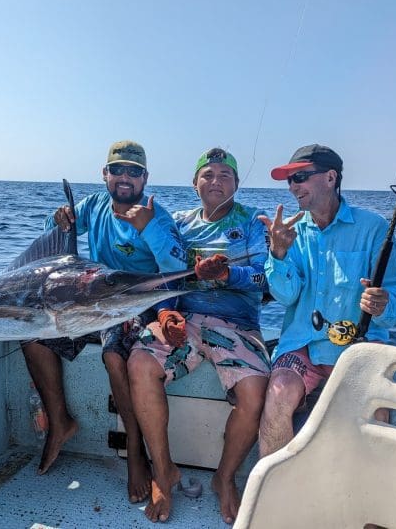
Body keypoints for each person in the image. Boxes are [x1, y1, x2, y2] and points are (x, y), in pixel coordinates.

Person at [22, 140, 187, 505]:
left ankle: (134, 447)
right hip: (90, 300)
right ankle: (60, 421)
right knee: (33, 335)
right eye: (118, 169)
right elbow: (56, 225)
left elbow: (177, 269)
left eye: (133, 171)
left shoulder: (157, 214)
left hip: (132, 303)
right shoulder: (94, 204)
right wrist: (58, 216)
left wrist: (148, 229)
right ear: (105, 174)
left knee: (114, 356)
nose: (125, 177)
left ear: (145, 178)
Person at [126, 147, 271, 524]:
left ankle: (224, 479)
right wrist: (165, 312)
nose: (216, 181)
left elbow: (263, 277)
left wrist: (226, 276)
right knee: (140, 361)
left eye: (225, 175)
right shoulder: (178, 222)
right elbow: (166, 271)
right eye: (208, 175)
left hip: (236, 325)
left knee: (255, 392)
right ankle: (163, 470)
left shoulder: (253, 223)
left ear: (237, 184)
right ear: (194, 184)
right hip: (186, 321)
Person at [258, 144, 396, 459]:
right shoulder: (291, 232)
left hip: (359, 348)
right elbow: (288, 296)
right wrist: (278, 255)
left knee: (376, 415)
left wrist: (381, 305)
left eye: (300, 176)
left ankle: (362, 497)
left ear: (330, 177)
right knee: (278, 395)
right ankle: (275, 495)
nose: (293, 186)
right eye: (289, 180)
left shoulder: (374, 227)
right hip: (303, 345)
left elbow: (394, 303)